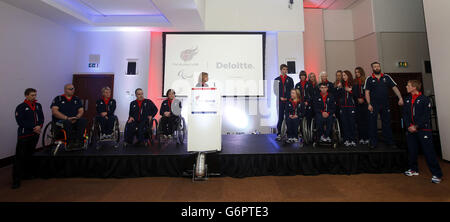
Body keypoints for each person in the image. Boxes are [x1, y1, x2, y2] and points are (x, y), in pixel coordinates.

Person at [403, 80, 442, 184]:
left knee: (429, 152)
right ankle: (413, 169)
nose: (406, 86)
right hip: (410, 130)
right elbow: (405, 115)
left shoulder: (425, 99)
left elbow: (426, 115)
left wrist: (416, 126)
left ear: (414, 87)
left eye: (408, 85)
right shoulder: (407, 99)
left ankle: (437, 174)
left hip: (423, 130)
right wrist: (409, 126)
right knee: (412, 151)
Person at [364, 62, 403, 149]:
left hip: (385, 104)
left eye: (378, 66)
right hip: (373, 105)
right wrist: (369, 104)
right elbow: (367, 92)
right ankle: (373, 142)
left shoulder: (387, 77)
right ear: (372, 68)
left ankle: (390, 141)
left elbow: (394, 88)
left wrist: (400, 98)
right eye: (375, 67)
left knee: (387, 123)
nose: (377, 68)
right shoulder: (369, 79)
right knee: (372, 124)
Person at [13, 88, 44, 189]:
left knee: (29, 155)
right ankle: (16, 180)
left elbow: (41, 118)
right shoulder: (21, 107)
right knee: (19, 157)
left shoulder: (38, 105)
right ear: (26, 96)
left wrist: (39, 126)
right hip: (24, 135)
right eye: (32, 95)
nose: (34, 97)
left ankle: (26, 174)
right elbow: (20, 121)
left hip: (35, 135)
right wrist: (33, 127)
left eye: (35, 95)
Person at [337, 71, 357, 147]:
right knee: (344, 124)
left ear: (348, 75)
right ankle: (347, 140)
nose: (343, 76)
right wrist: (338, 88)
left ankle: (353, 140)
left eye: (345, 75)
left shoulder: (353, 84)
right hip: (343, 107)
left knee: (351, 123)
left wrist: (350, 91)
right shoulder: (341, 85)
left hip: (351, 107)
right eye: (342, 75)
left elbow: (356, 95)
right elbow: (337, 96)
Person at [274, 64, 294, 141]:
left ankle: (289, 134)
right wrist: (280, 97)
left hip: (288, 101)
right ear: (281, 70)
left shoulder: (290, 79)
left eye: (286, 69)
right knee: (280, 117)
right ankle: (279, 133)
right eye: (284, 69)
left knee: (288, 117)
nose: (285, 71)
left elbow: (292, 90)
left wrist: (287, 98)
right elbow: (275, 91)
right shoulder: (276, 79)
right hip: (279, 101)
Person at [353, 67, 369, 145]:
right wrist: (358, 99)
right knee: (359, 122)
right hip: (357, 104)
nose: (357, 73)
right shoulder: (354, 81)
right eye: (356, 72)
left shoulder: (366, 80)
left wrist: (363, 99)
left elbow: (368, 92)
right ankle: (361, 138)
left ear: (361, 72)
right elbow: (354, 93)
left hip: (365, 104)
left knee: (366, 122)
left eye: (358, 72)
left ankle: (367, 138)